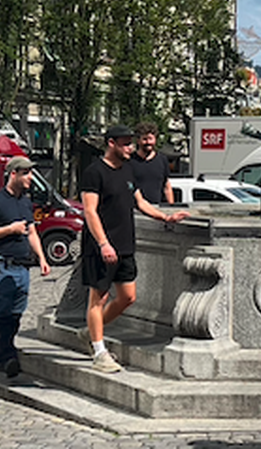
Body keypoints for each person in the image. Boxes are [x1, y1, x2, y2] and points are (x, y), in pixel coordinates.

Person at [79, 124, 189, 373]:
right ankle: (99, 352)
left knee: (128, 297)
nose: (131, 147)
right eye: (126, 143)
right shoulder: (94, 172)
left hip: (125, 244)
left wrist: (165, 217)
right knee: (98, 298)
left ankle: (90, 331)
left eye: (131, 142)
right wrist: (103, 243)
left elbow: (140, 202)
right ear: (111, 143)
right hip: (101, 246)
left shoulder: (128, 170)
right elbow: (89, 211)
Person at [0, 156, 50, 378]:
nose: (30, 178)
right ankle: (8, 356)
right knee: (2, 313)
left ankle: (0, 356)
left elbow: (32, 232)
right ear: (13, 174)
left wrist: (42, 258)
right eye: (26, 173)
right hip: (3, 266)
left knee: (17, 312)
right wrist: (9, 229)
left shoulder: (25, 202)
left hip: (23, 267)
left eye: (31, 173)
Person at [129, 123, 173, 205]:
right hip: (135, 210)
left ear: (155, 140)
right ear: (138, 141)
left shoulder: (162, 160)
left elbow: (167, 186)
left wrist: (171, 207)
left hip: (157, 209)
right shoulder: (129, 161)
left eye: (150, 139)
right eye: (145, 139)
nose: (148, 142)